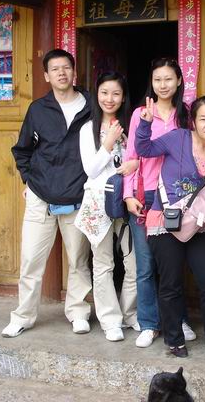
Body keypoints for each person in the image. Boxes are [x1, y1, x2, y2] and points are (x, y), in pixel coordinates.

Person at [123, 58, 205, 348]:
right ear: (151, 82)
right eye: (157, 79)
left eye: (169, 79)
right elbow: (133, 154)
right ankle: (149, 323)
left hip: (184, 197)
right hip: (148, 193)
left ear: (180, 81)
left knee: (177, 268)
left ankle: (178, 321)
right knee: (147, 266)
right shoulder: (141, 113)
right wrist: (128, 194)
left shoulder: (187, 113)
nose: (163, 85)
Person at [135, 95, 205, 358]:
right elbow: (144, 149)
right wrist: (145, 124)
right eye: (203, 119)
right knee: (170, 284)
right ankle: (174, 339)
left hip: (196, 225)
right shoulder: (178, 138)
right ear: (193, 121)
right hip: (165, 222)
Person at [3, 49, 92, 338]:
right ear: (46, 76)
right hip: (41, 197)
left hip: (78, 195)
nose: (61, 73)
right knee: (31, 259)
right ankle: (23, 316)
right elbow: (22, 150)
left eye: (66, 67)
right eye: (55, 69)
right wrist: (29, 180)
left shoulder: (92, 104)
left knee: (78, 260)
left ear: (74, 71)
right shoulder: (38, 109)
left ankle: (78, 312)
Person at [74, 72, 139, 342]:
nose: (109, 99)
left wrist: (135, 163)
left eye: (115, 93)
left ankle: (130, 314)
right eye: (104, 92)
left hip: (127, 200)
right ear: (96, 95)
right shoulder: (87, 129)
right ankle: (110, 320)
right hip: (98, 202)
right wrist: (109, 142)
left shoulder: (132, 125)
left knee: (134, 262)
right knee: (103, 264)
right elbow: (90, 169)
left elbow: (141, 160)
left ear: (123, 97)